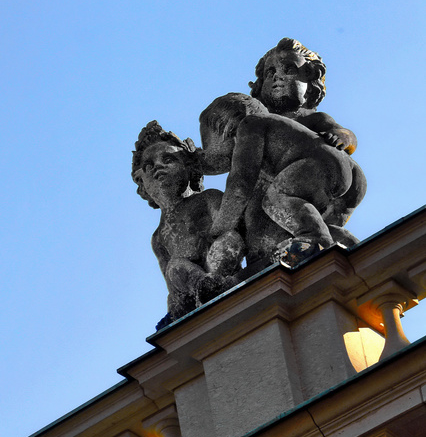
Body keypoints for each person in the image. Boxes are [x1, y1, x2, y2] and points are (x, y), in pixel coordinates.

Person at [200, 92, 361, 269]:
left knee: (274, 200)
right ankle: (352, 245)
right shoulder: (275, 125)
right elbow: (219, 161)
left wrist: (219, 228)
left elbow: (240, 183)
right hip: (352, 175)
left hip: (319, 166)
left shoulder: (250, 124)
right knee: (313, 221)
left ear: (229, 126)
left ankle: (314, 240)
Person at [131, 121, 244, 320]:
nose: (158, 166)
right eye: (149, 166)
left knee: (229, 239)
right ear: (142, 184)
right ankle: (205, 288)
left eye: (168, 159)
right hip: (195, 288)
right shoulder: (159, 237)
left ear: (188, 166)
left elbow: (233, 233)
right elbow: (173, 282)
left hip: (222, 269)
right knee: (175, 268)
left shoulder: (207, 198)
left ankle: (215, 285)